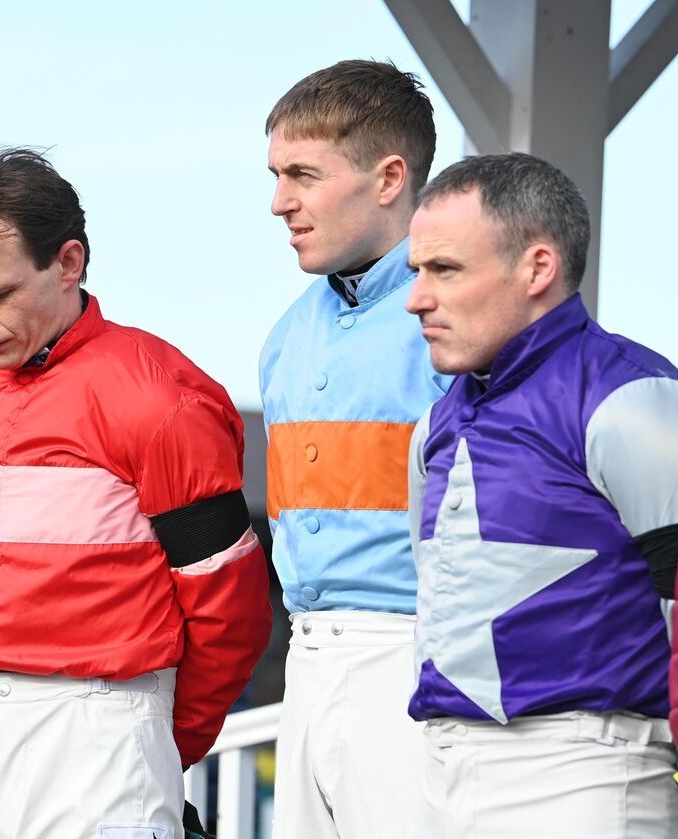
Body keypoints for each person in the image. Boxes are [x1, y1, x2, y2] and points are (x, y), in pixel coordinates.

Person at [0, 148, 272, 838]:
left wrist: (157, 745)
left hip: (104, 729)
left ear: (69, 262)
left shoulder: (161, 395)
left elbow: (232, 611)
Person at [406, 152, 678, 838]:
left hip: (590, 777)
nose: (416, 298)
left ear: (537, 267)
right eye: (417, 272)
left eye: (444, 270)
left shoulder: (634, 398)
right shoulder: (434, 424)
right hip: (442, 773)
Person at [259, 60, 450, 838]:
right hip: (304, 661)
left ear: (389, 178)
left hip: (414, 658)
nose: (279, 203)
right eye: (276, 175)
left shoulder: (452, 325)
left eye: (303, 174)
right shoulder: (284, 337)